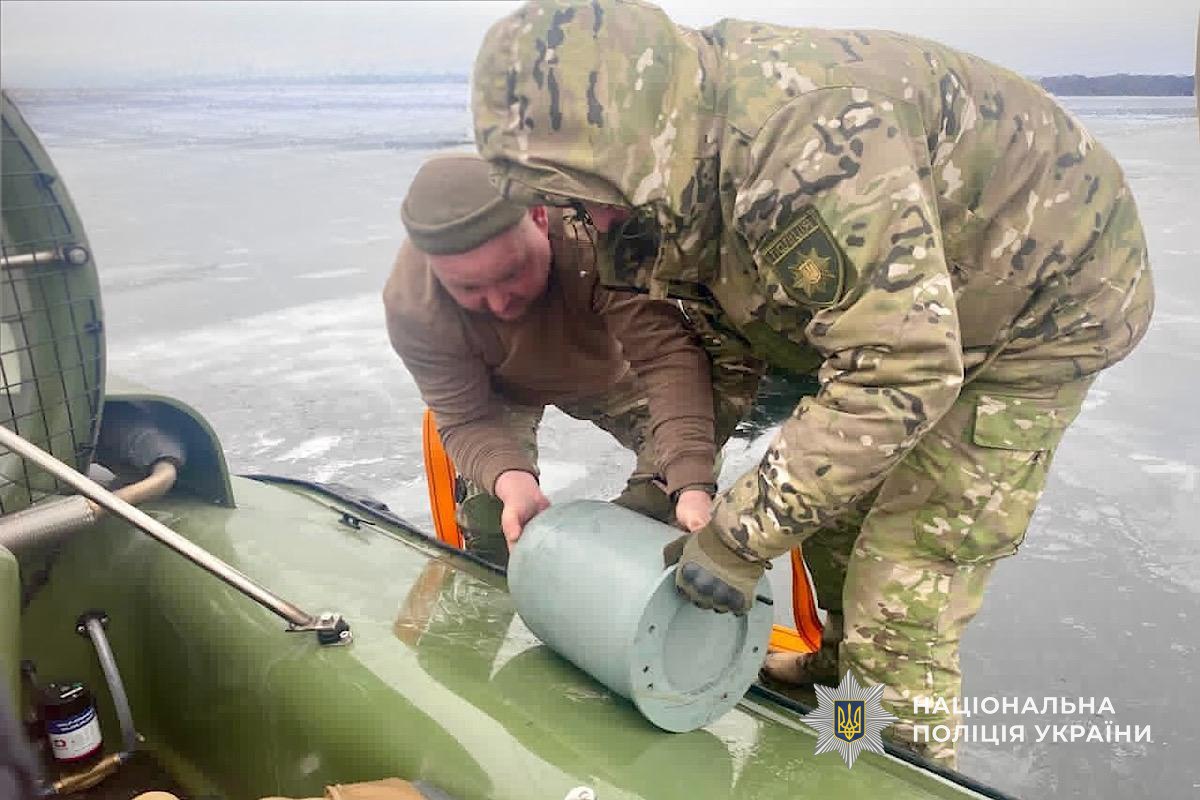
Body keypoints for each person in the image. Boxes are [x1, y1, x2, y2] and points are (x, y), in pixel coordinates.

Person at [470, 0, 1154, 766]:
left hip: (1043, 307)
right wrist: (668, 483)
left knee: (903, 579)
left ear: (629, 140)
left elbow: (903, 368)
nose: (573, 219)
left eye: (576, 195)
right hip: (911, 309)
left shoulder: (803, 154)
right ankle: (838, 679)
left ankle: (896, 765)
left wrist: (735, 539)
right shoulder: (675, 176)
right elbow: (727, 342)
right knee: (831, 514)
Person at [383, 152, 717, 567]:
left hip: (611, 371)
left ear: (540, 217)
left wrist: (690, 482)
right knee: (494, 518)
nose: (499, 303)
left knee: (681, 473)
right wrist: (512, 480)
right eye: (469, 290)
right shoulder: (413, 306)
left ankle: (615, 574)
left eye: (510, 273)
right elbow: (466, 419)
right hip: (500, 392)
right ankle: (494, 591)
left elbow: (667, 358)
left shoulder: (597, 230)